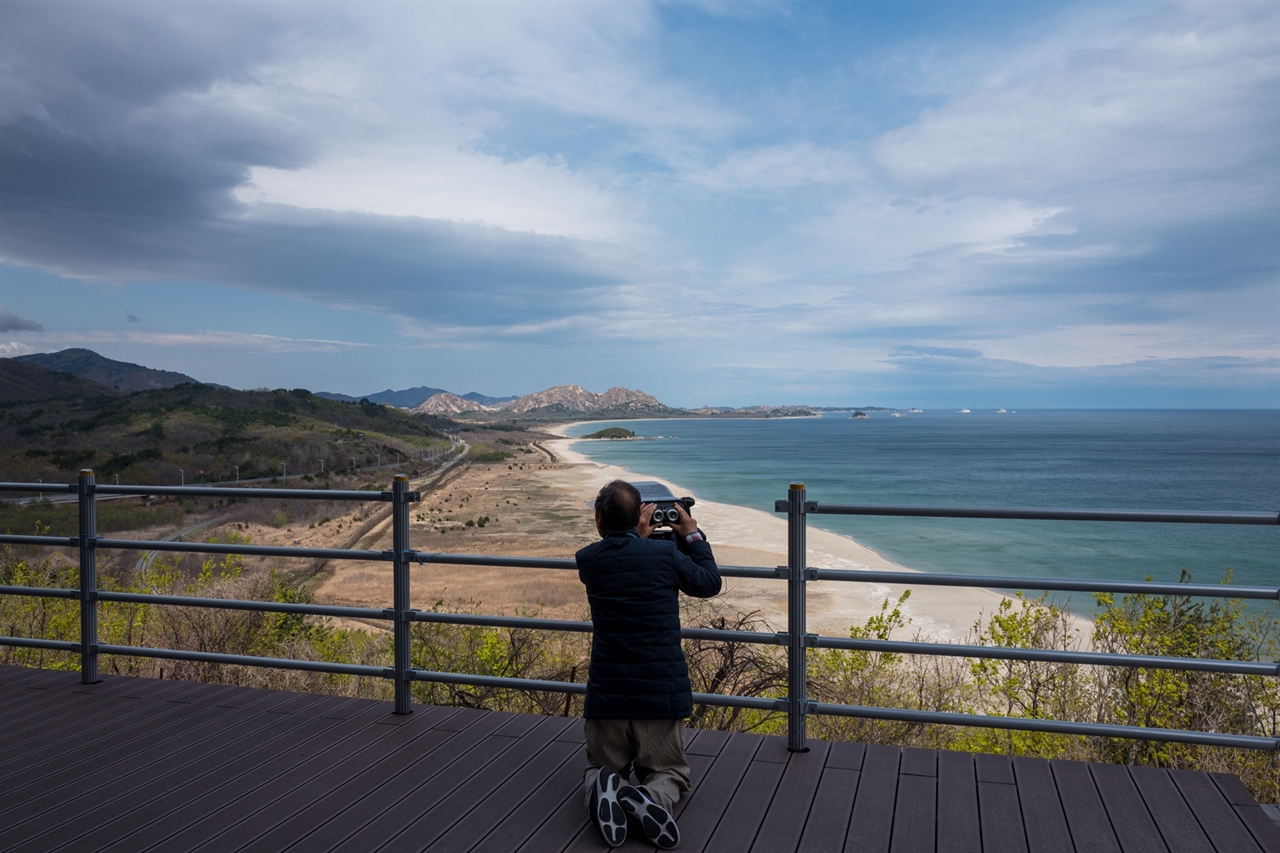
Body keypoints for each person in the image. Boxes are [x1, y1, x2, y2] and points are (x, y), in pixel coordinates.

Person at [575, 479, 721, 849]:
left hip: (608, 695)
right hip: (659, 692)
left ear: (599, 521)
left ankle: (613, 788)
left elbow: (620, 557)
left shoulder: (588, 560)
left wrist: (634, 537)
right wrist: (691, 534)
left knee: (599, 769)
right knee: (669, 772)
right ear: (642, 515)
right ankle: (651, 800)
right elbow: (708, 583)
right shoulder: (665, 557)